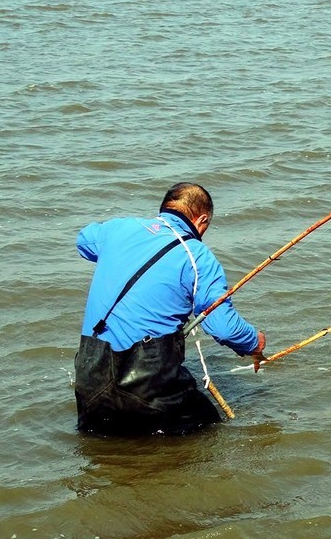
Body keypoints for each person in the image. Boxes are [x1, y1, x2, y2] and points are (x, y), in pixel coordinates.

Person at [73, 182, 265, 435]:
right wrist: (253, 343)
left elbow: (84, 240)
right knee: (210, 438)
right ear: (202, 219)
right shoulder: (198, 256)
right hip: (148, 387)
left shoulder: (118, 228)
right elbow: (223, 327)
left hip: (90, 376)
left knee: (106, 450)